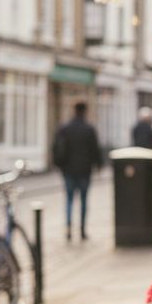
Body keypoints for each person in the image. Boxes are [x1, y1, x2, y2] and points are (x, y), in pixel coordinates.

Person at [52, 102, 103, 241]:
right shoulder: (89, 129)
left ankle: (68, 228)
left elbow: (56, 148)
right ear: (85, 111)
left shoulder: (65, 128)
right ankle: (82, 230)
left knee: (69, 199)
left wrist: (59, 165)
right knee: (83, 200)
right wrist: (99, 165)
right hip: (84, 170)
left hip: (68, 170)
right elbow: (95, 149)